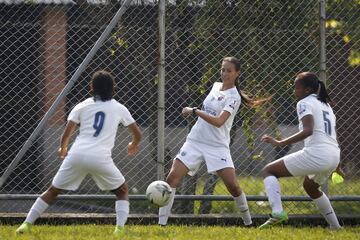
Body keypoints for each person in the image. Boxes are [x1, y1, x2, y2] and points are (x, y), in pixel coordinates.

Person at [16, 70, 142, 236]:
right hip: (100, 158)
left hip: (76, 154)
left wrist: (63, 148)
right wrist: (133, 144)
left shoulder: (81, 106)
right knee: (122, 191)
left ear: (91, 87)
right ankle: (119, 229)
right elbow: (138, 134)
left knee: (53, 191)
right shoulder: (119, 108)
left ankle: (26, 224)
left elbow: (67, 132)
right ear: (113, 88)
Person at [158, 56, 264, 226]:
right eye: (223, 69)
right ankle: (161, 224)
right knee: (172, 177)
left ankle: (248, 223)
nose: (225, 73)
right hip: (195, 141)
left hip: (217, 146)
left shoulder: (234, 97)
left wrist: (194, 111)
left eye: (229, 70)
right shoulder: (215, 86)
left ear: (237, 73)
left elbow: (219, 121)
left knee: (233, 186)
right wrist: (197, 113)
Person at [259, 72, 343, 229]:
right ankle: (335, 227)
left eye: (296, 87)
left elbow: (308, 130)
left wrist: (280, 142)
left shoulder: (304, 103)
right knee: (310, 187)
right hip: (333, 155)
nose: (294, 91)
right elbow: (332, 136)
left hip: (318, 154)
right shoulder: (326, 105)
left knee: (268, 171)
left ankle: (277, 213)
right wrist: (337, 165)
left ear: (306, 90)